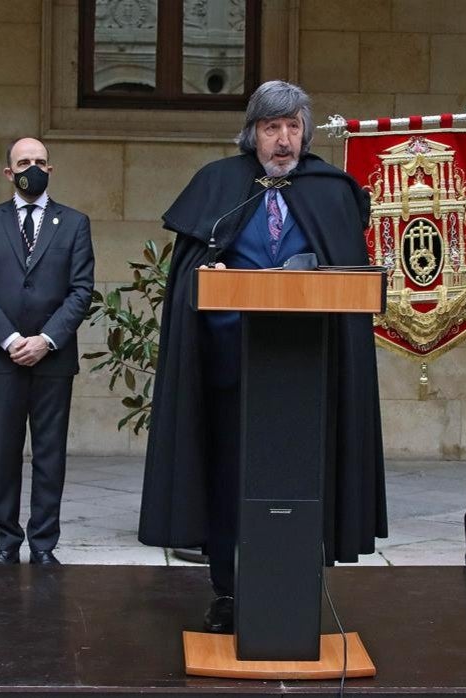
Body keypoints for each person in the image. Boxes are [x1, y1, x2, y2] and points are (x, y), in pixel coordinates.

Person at [139, 80, 387, 632]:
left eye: (293, 127)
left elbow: (348, 277)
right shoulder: (218, 185)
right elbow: (188, 282)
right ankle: (227, 591)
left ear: (306, 133)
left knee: (301, 480)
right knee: (230, 480)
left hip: (307, 371)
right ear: (252, 134)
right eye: (271, 128)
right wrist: (217, 279)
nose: (282, 140)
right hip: (229, 367)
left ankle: (295, 584)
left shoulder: (331, 191)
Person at [0, 137, 95, 566]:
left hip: (53, 357)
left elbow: (81, 290)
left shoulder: (74, 223)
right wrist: (11, 340)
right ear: (9, 172)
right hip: (2, 357)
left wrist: (45, 340)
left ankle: (43, 544)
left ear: (51, 170)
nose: (32, 168)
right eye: (24, 162)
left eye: (40, 161)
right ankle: (5, 541)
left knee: (49, 452)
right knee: (5, 451)